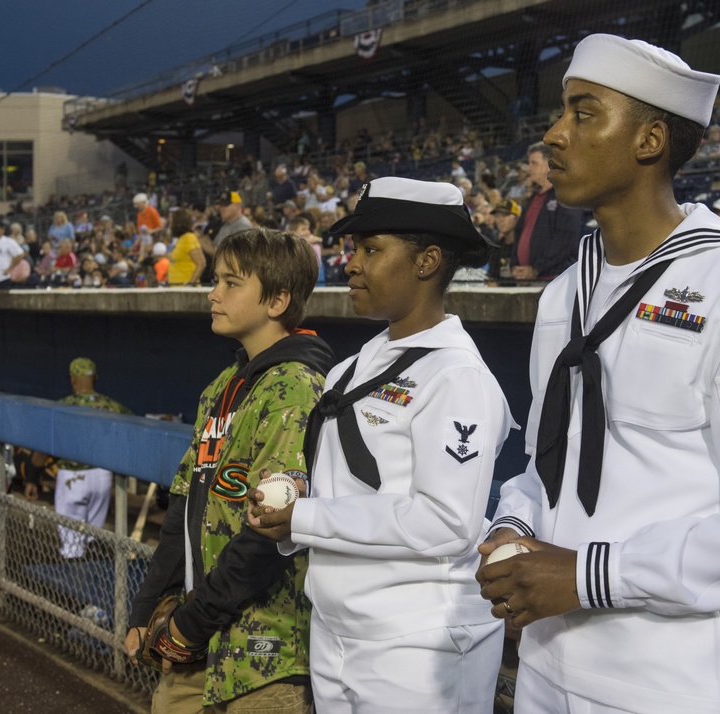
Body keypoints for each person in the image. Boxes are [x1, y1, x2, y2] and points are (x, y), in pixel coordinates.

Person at [476, 34, 720, 714]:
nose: (554, 133)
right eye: (562, 110)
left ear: (649, 140)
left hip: (673, 684)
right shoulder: (563, 294)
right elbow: (547, 463)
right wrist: (512, 527)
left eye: (584, 112)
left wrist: (590, 575)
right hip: (547, 669)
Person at [249, 177, 514, 713]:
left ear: (427, 260)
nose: (351, 263)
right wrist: (300, 495)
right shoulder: (352, 367)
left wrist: (306, 517)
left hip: (418, 644)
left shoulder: (456, 376)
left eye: (371, 249)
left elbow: (446, 521)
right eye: (353, 249)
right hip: (336, 628)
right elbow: (348, 484)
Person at [125, 228, 333, 713]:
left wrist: (189, 624)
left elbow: (267, 534)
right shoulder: (222, 385)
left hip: (266, 653)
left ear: (278, 300)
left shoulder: (297, 388)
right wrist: (146, 608)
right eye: (215, 279)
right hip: (198, 640)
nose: (213, 293)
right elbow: (181, 511)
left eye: (231, 283)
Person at [54, 358, 133, 558]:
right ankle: (94, 574)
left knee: (72, 544)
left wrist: (32, 476)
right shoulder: (112, 406)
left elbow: (46, 443)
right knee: (93, 538)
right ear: (95, 378)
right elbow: (133, 429)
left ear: (73, 380)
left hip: (72, 477)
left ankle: (71, 583)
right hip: (102, 476)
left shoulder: (63, 406)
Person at [512, 141, 586, 281]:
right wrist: (515, 265)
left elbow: (565, 240)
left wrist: (537, 269)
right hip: (527, 278)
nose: (529, 168)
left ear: (549, 164)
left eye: (534, 163)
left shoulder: (565, 195)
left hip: (553, 279)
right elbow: (519, 232)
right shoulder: (534, 197)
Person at [166, 208, 206, 285]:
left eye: (171, 220)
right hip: (176, 287)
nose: (169, 223)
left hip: (185, 291)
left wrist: (190, 285)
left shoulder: (189, 238)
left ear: (178, 222)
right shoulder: (180, 239)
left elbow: (201, 263)